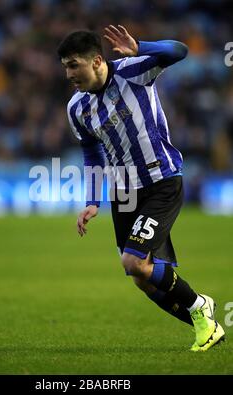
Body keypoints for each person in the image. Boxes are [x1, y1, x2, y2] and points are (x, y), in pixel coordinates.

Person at [57, 25, 225, 351]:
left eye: (73, 64)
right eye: (65, 66)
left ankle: (199, 306)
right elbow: (91, 152)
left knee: (133, 262)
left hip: (161, 179)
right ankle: (205, 323)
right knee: (140, 278)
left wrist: (141, 47)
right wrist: (93, 200)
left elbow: (180, 50)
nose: (68, 73)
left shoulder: (134, 70)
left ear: (95, 61)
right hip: (124, 192)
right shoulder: (76, 108)